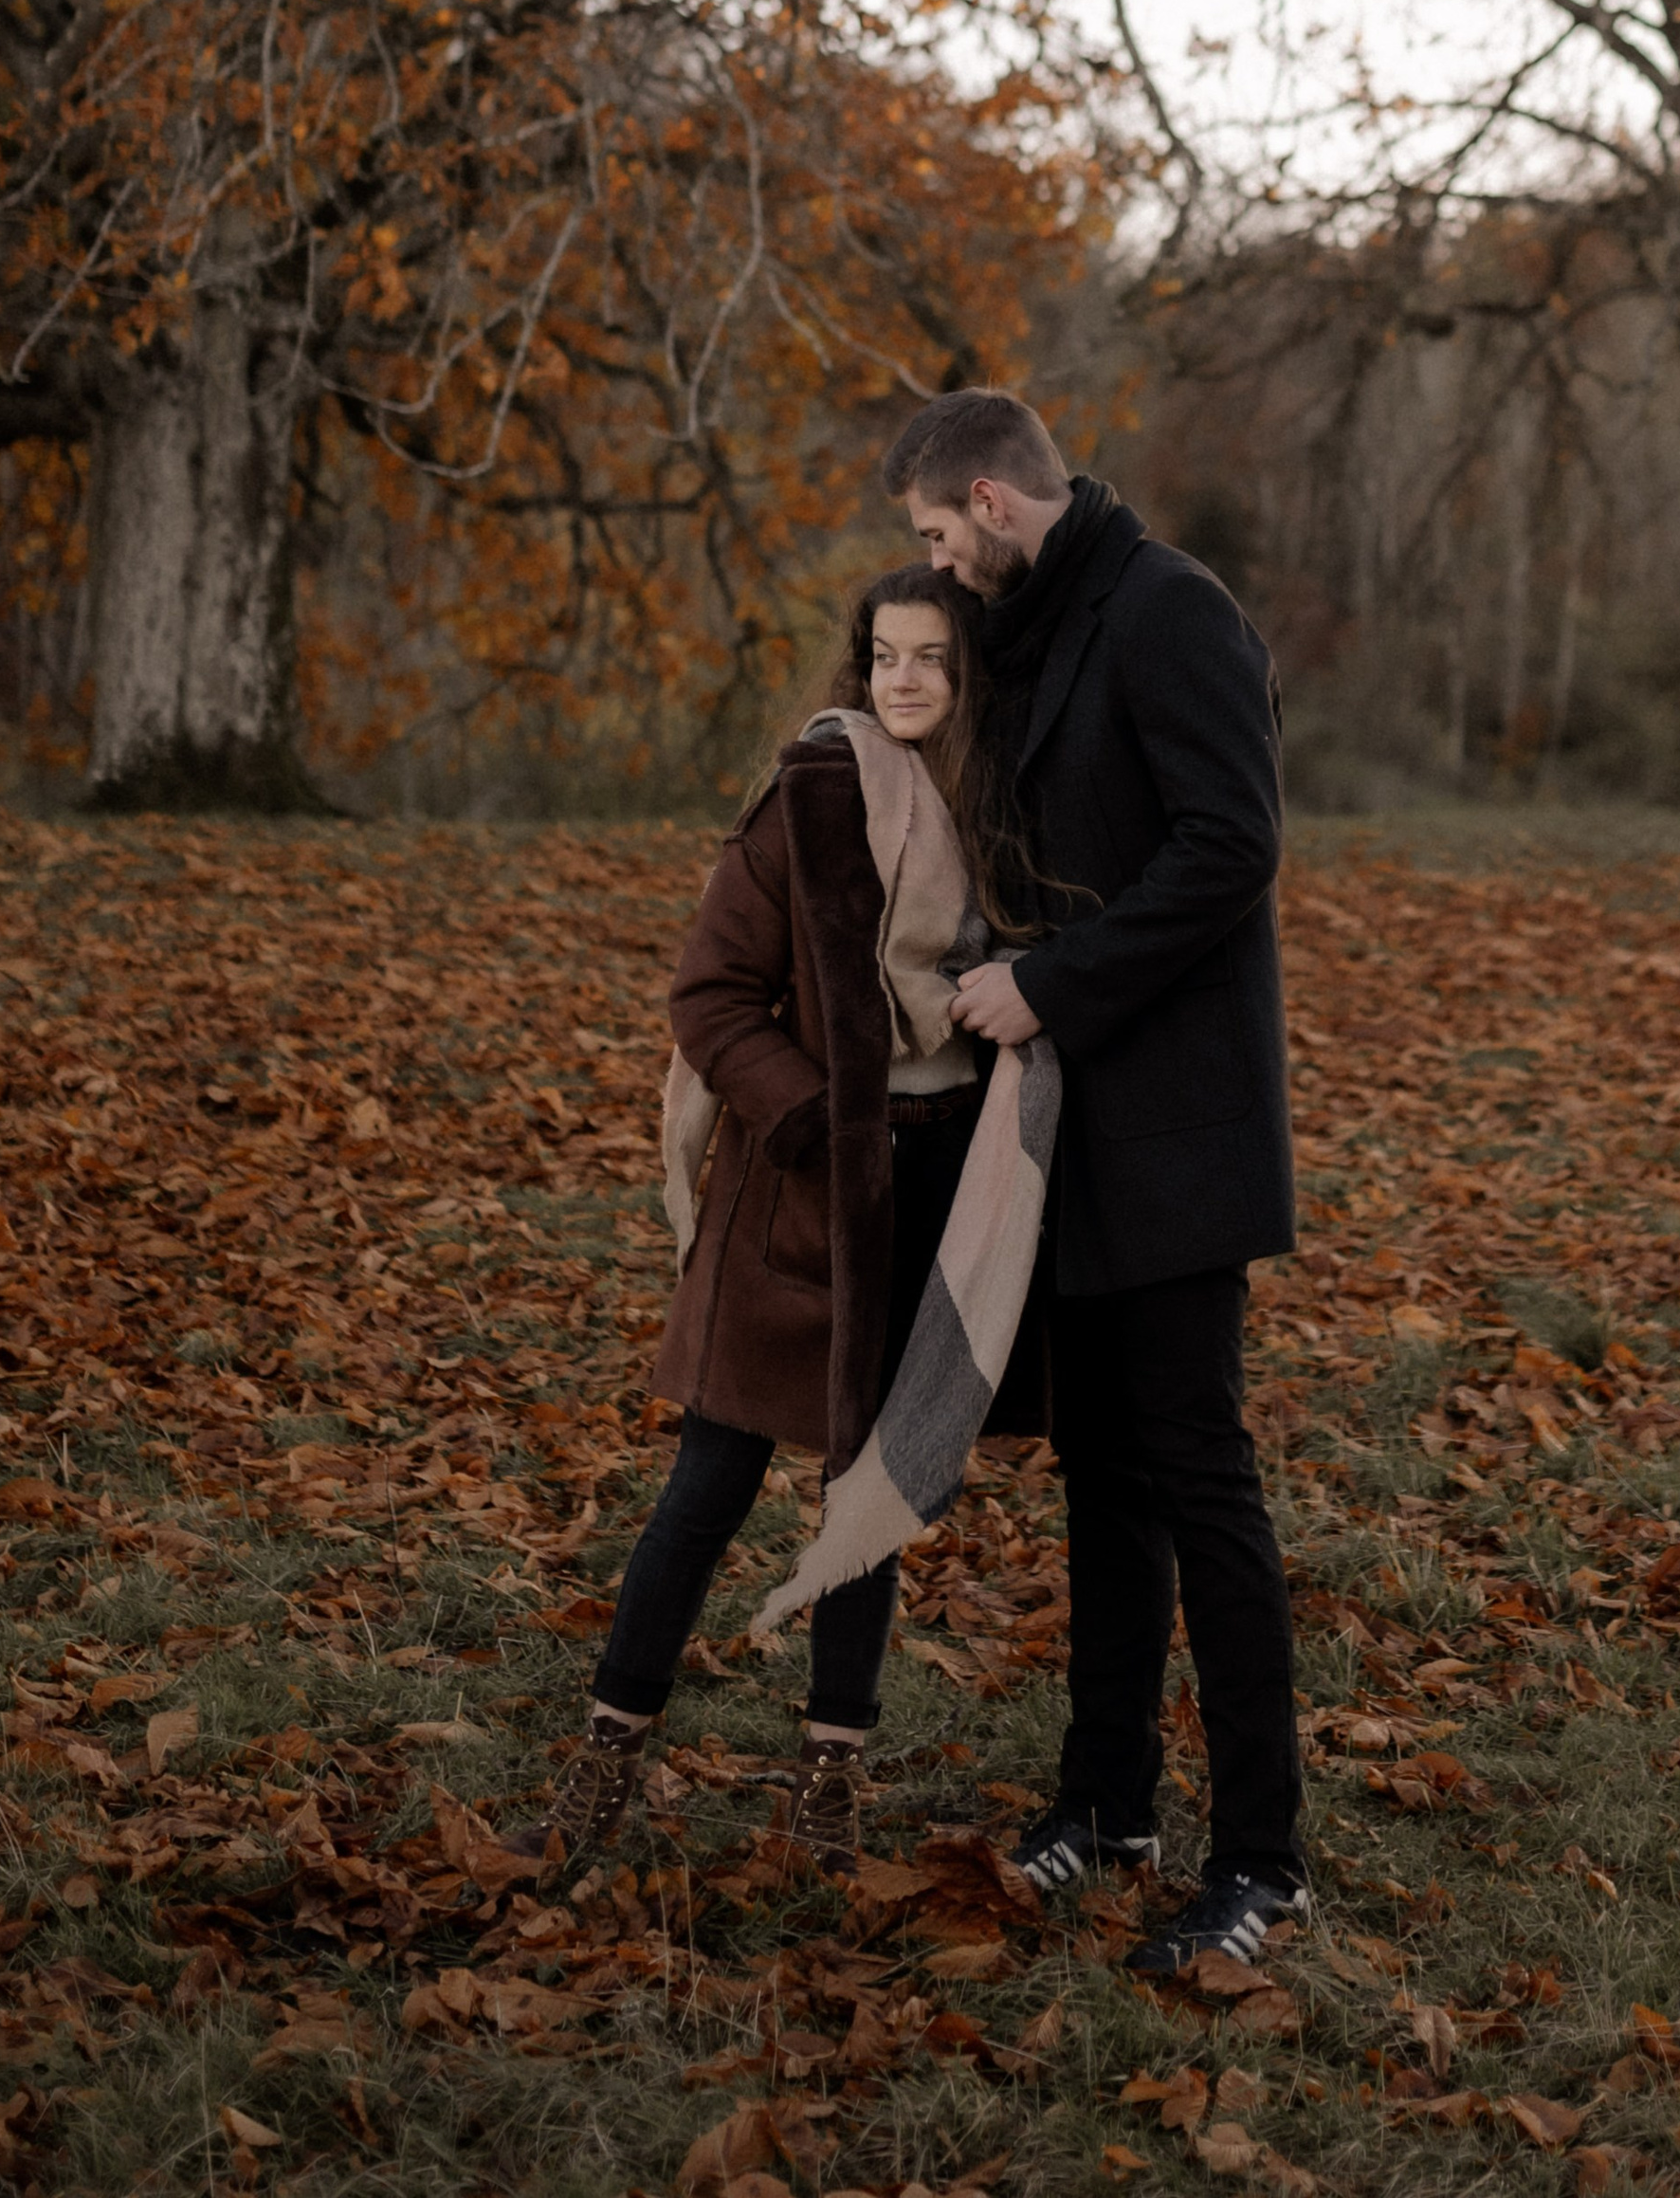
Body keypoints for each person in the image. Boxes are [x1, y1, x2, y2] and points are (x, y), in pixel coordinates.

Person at [507, 565, 1040, 1882]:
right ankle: (602, 1766)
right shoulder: (809, 800)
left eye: (932, 662)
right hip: (798, 1186)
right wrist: (811, 1124)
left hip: (937, 1184)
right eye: (884, 658)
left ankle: (827, 1791)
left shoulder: (1001, 816)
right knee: (708, 1487)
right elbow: (711, 998)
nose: (903, 683)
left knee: (868, 1503)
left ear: (968, 683)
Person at [883, 388, 1306, 1976]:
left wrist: (1052, 984)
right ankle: (1107, 1803)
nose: (930, 564)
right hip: (1072, 1128)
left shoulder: (1171, 608)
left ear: (993, 502)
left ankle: (1264, 1861)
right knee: (1102, 1476)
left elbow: (1230, 846)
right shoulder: (1048, 621)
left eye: (934, 535)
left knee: (1200, 1480)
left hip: (1181, 1124)